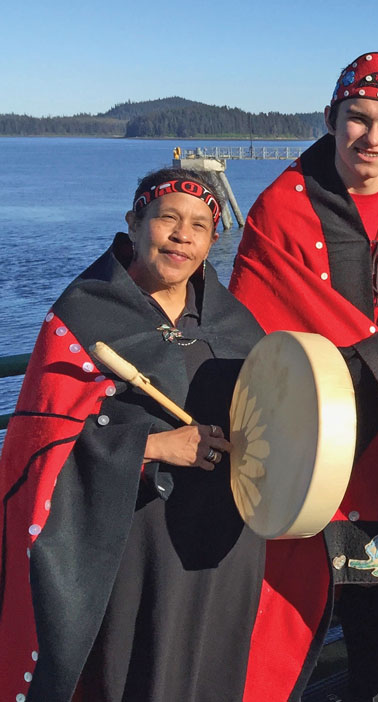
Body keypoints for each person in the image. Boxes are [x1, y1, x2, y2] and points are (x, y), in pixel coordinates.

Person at [229, 53, 378, 702]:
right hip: (307, 440)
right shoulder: (282, 207)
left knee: (374, 603)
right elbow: (255, 318)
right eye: (358, 118)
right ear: (331, 119)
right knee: (281, 604)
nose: (373, 136)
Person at [0, 168, 265, 701]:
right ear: (134, 223)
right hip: (132, 541)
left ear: (214, 241)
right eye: (167, 218)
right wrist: (150, 446)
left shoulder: (233, 321)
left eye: (199, 226)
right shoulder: (82, 315)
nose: (182, 235)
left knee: (212, 670)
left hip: (221, 542)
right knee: (133, 675)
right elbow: (38, 446)